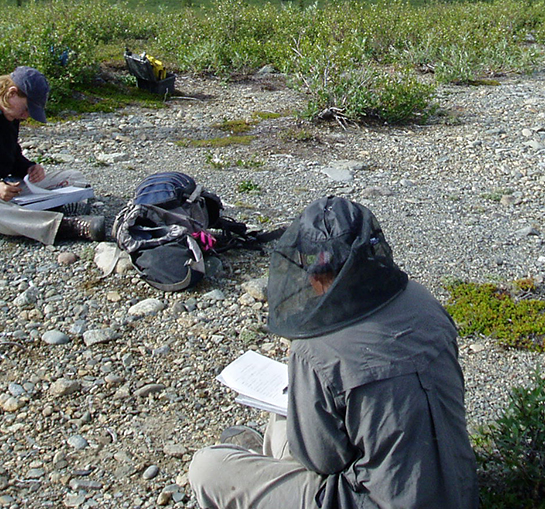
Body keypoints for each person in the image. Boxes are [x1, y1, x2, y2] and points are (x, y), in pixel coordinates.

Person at [188, 196, 478, 509]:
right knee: (291, 415)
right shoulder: (424, 302)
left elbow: (323, 460)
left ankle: (263, 468)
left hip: (376, 500)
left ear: (313, 274)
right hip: (458, 492)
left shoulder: (315, 347)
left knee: (209, 467)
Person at [0, 66, 107, 244]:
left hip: (5, 186)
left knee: (73, 177)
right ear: (11, 93)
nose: (26, 116)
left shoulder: (9, 114)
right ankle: (64, 226)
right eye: (26, 109)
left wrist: (29, 168)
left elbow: (10, 156)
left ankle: (28, 215)